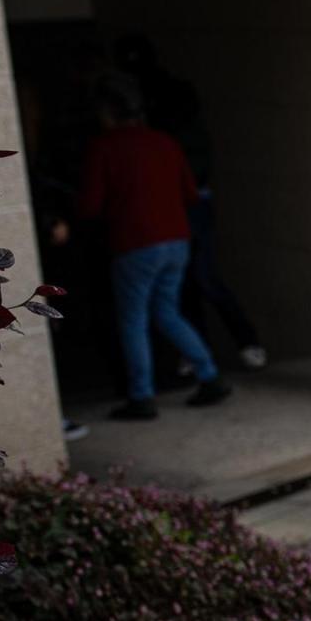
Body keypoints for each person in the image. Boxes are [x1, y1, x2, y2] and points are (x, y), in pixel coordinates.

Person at [75, 74, 231, 420]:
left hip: (135, 243)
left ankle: (142, 396)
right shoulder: (164, 142)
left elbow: (89, 206)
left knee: (133, 321)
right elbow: (190, 194)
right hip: (176, 239)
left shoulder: (104, 148)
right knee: (167, 311)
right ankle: (209, 374)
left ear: (107, 114)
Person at [115, 35, 267, 370]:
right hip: (178, 206)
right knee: (186, 282)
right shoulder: (157, 120)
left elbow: (192, 170)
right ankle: (201, 352)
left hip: (186, 203)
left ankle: (237, 343)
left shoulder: (169, 116)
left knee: (201, 279)